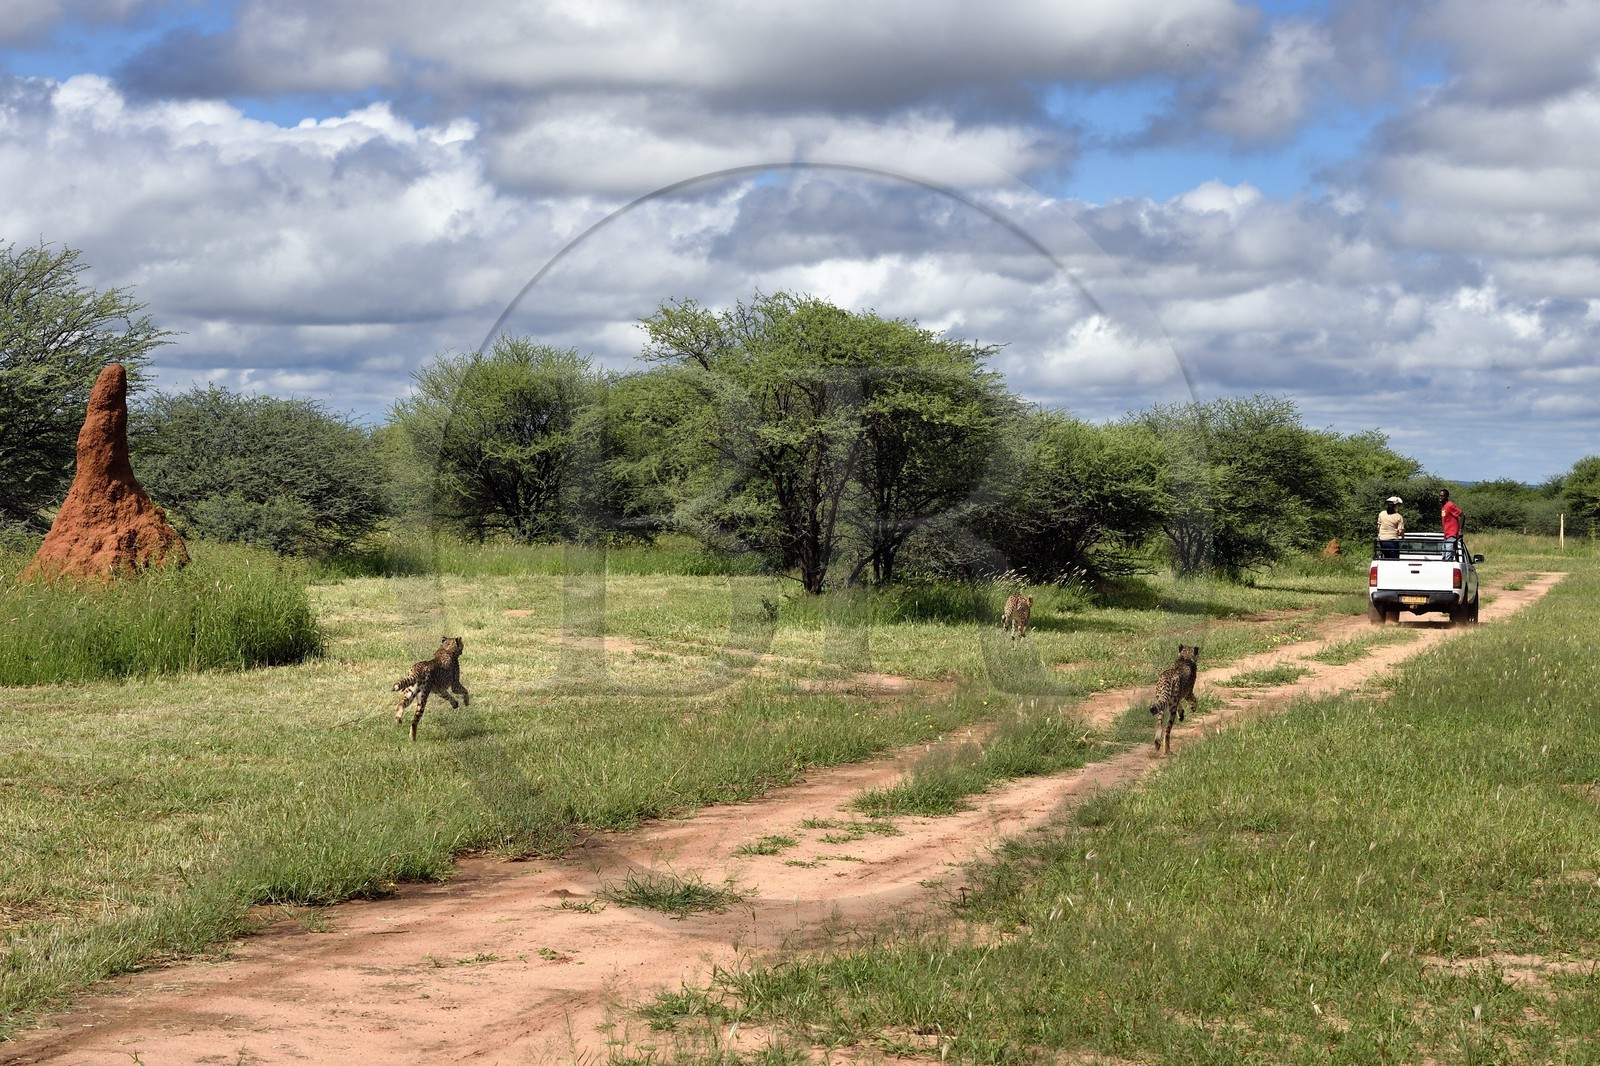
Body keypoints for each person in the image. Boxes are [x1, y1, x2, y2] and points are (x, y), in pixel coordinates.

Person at [1439, 488, 1463, 560]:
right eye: (1439, 496)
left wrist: (1460, 530)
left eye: (1442, 496)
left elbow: (1462, 515)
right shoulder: (1443, 507)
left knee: (1448, 557)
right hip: (1446, 535)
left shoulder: (1450, 505)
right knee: (1444, 556)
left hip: (1452, 534)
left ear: (1446, 496)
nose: (1440, 497)